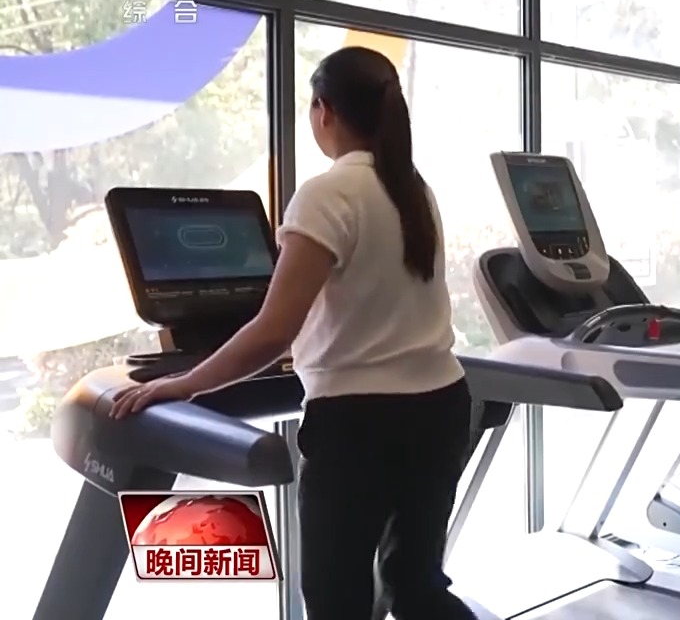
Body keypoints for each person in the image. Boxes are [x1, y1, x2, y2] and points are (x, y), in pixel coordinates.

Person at [111, 46, 478, 620]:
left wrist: (181, 384)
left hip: (361, 424)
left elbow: (273, 331)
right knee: (416, 585)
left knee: (336, 600)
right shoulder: (412, 187)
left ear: (324, 111)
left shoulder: (329, 193)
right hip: (441, 406)